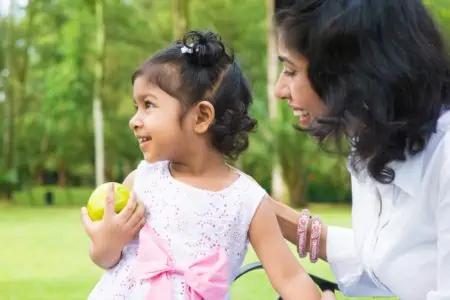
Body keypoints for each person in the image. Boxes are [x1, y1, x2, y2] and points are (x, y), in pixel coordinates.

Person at [81, 30, 322, 299]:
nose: (134, 120)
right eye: (136, 106)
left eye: (148, 105)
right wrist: (106, 244)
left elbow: (290, 278)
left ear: (201, 117)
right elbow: (106, 260)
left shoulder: (247, 200)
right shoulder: (142, 180)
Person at [269, 0, 450, 299]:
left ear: (347, 73)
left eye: (290, 70)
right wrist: (266, 212)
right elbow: (383, 257)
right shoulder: (371, 142)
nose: (279, 89)